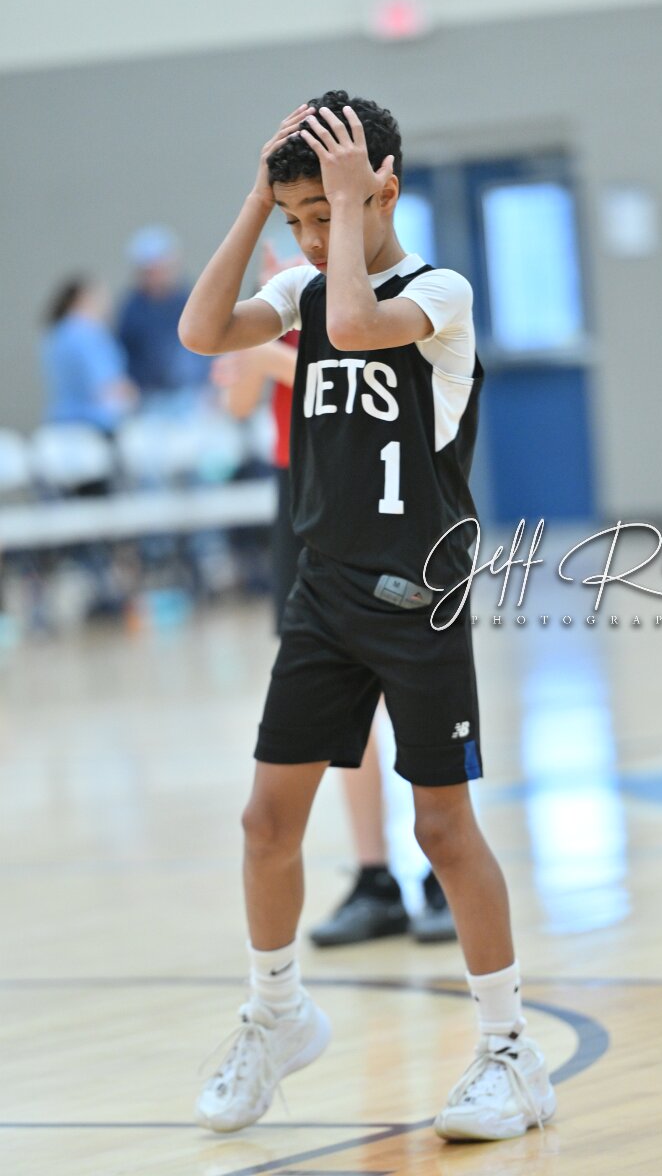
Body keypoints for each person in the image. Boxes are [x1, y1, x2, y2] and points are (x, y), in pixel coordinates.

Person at [179, 90, 556, 1142]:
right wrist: (256, 202)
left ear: (383, 188)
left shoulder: (438, 293)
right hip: (324, 592)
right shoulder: (303, 283)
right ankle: (277, 1014)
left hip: (417, 596)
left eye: (324, 211)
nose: (308, 235)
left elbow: (352, 325)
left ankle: (510, 1052)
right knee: (265, 823)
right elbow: (203, 330)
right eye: (296, 217)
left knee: (442, 826)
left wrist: (343, 209)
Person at [213, 245, 457, 948]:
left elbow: (343, 380)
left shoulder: (370, 307)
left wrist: (269, 350)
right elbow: (237, 403)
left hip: (370, 490)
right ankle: (375, 878)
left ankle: (441, 867)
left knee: (404, 686)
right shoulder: (274, 310)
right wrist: (254, 337)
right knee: (344, 700)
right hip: (298, 495)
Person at [117, 226, 211, 402]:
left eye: (160, 269)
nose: (156, 276)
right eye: (149, 272)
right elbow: (122, 353)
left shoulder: (190, 300)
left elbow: (210, 344)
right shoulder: (131, 309)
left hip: (194, 395)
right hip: (147, 397)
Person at [41, 277, 137, 440]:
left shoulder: (57, 333)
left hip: (60, 423)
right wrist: (131, 395)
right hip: (93, 427)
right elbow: (104, 386)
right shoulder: (88, 334)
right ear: (85, 298)